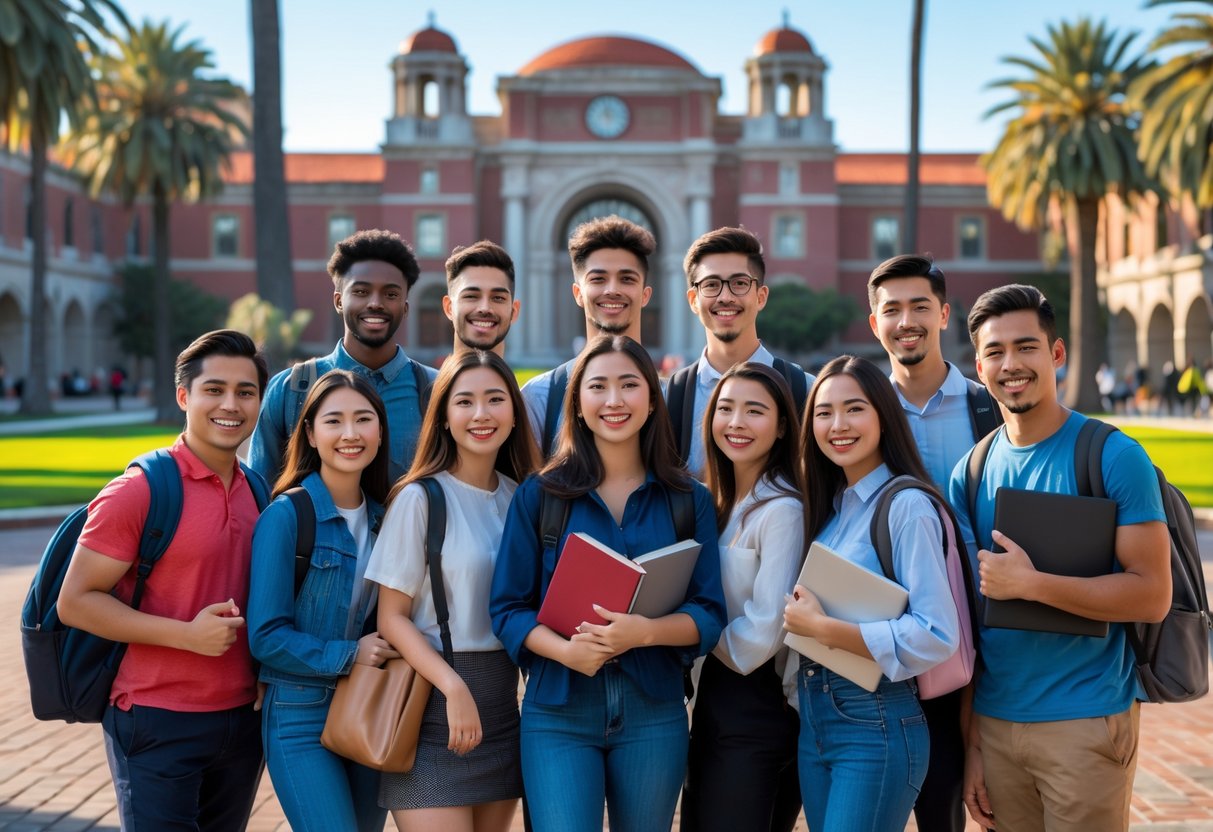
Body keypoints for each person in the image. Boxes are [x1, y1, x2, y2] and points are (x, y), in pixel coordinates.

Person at [950, 284, 1171, 832]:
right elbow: (971, 627)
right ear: (979, 366)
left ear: (1057, 354)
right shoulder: (970, 472)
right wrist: (973, 743)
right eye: (995, 352)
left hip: (1086, 720)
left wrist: (1031, 584)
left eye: (1026, 347)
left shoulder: (1112, 456)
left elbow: (1152, 594)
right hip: (997, 727)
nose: (1011, 364)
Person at [491, 335, 726, 832]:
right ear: (577, 401)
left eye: (629, 385)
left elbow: (709, 612)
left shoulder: (689, 500)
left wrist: (644, 633)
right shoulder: (541, 495)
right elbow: (508, 609)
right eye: (598, 386)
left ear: (652, 398)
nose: (614, 401)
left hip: (654, 710)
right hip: (558, 712)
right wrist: (564, 651)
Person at [57, 330, 270, 832]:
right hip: (154, 719)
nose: (230, 405)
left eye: (245, 392)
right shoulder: (139, 490)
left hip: (242, 721)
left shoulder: (258, 490)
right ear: (183, 396)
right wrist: (185, 635)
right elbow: (75, 601)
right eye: (213, 389)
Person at [783, 354, 959, 831]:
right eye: (823, 413)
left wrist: (824, 629)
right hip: (817, 720)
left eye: (854, 409)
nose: (837, 425)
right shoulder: (834, 509)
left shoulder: (907, 507)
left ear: (884, 415)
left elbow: (937, 634)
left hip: (876, 720)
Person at [368, 350, 539, 831]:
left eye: (494, 400)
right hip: (429, 709)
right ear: (443, 416)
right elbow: (391, 618)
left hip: (502, 711)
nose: (481, 414)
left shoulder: (521, 497)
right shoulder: (419, 497)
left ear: (513, 414)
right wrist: (453, 686)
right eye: (464, 401)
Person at [866, 254, 998, 831]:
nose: (906, 321)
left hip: (971, 640)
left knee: (947, 805)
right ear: (875, 324)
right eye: (891, 310)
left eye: (920, 306)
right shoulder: (856, 413)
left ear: (944, 314)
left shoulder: (986, 408)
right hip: (883, 638)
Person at [247, 370, 395, 832]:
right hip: (298, 713)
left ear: (380, 430)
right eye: (334, 421)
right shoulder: (286, 516)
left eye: (363, 419)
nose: (350, 434)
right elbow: (265, 637)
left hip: (368, 706)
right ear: (310, 433)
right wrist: (351, 655)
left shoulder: (387, 518)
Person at [681, 362, 805, 832]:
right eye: (726, 408)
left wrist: (687, 627)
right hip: (714, 700)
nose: (736, 423)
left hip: (757, 705)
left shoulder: (784, 510)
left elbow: (763, 634)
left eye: (755, 411)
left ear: (780, 428)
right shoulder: (718, 502)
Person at [250, 228, 439, 485]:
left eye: (391, 294)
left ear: (405, 308)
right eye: (361, 292)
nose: (375, 303)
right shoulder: (291, 389)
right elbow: (260, 492)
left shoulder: (435, 391)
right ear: (339, 301)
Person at [671, 227, 814, 478]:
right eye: (711, 285)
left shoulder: (806, 392)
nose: (725, 297)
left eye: (739, 283)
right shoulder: (670, 398)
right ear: (693, 300)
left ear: (761, 296)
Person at [520, 216, 655, 455]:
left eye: (626, 279)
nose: (612, 290)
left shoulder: (674, 399)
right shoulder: (539, 397)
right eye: (598, 279)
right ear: (578, 294)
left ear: (645, 295)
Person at [443, 240, 521, 357]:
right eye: (471, 296)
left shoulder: (551, 376)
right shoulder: (418, 375)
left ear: (514, 311)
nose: (485, 308)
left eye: (498, 298)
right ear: (449, 308)